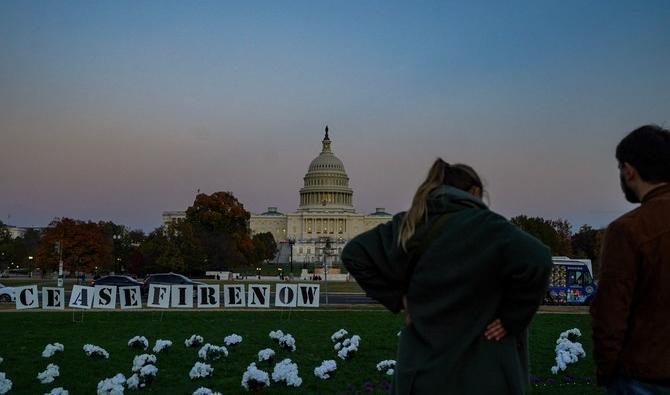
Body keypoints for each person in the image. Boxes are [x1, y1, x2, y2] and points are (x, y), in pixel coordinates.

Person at [342, 159, 552, 394]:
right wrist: (512, 318)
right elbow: (539, 259)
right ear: (474, 192)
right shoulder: (490, 227)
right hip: (485, 372)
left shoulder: (412, 223)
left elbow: (354, 254)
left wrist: (398, 298)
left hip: (423, 373)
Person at [590, 124, 670, 393]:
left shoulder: (629, 230)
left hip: (646, 375)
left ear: (629, 170)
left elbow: (610, 313)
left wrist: (607, 370)